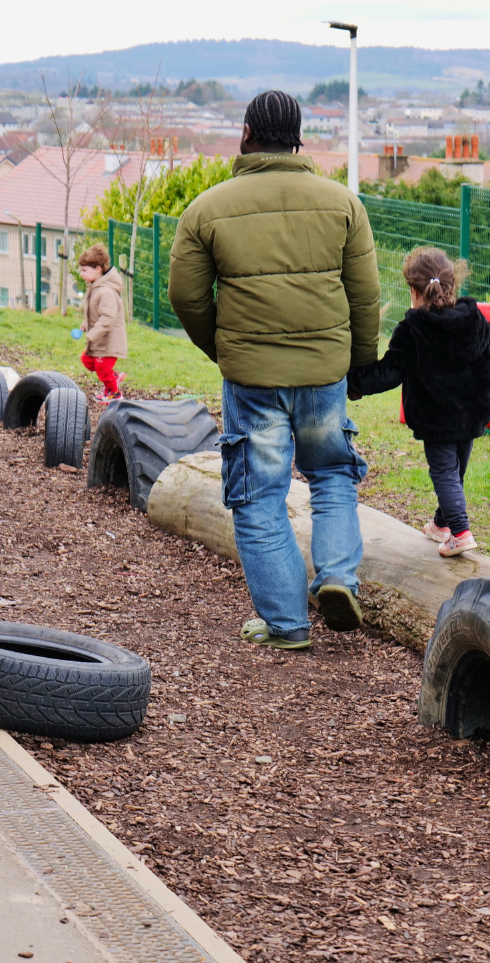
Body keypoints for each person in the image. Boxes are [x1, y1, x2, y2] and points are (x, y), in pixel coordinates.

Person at [168, 90, 381, 650]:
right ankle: (336, 575)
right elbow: (366, 297)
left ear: (245, 133)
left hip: (253, 380)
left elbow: (186, 298)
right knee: (333, 474)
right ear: (299, 136)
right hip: (324, 373)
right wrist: (358, 364)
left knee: (259, 495)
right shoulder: (342, 204)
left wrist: (227, 349)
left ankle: (287, 625)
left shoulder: (207, 208)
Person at [347, 247, 490, 557]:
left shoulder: (413, 329)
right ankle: (441, 524)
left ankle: (460, 532)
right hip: (472, 414)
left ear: (413, 290)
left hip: (436, 418)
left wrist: (353, 383)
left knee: (444, 472)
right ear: (453, 285)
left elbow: (389, 371)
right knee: (456, 470)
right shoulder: (475, 319)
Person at [77, 243, 126, 404]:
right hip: (99, 339)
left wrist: (92, 334)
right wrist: (86, 324)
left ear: (97, 269)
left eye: (84, 270)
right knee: (87, 360)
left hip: (108, 341)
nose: (81, 273)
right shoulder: (95, 288)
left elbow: (107, 319)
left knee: (102, 368)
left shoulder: (106, 292)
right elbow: (94, 312)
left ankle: (114, 393)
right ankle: (114, 377)